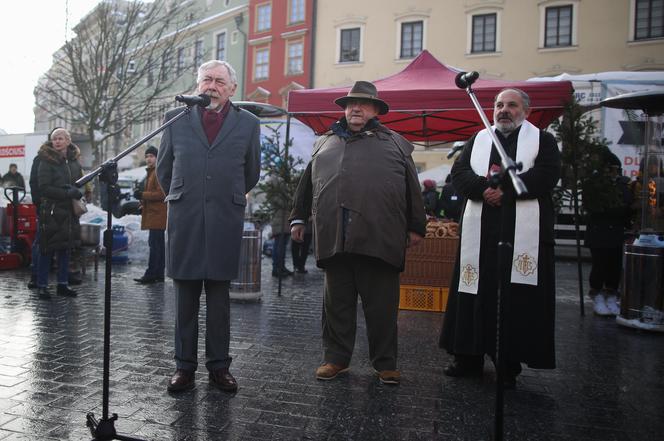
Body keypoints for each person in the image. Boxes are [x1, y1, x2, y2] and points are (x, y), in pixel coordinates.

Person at [290, 80, 426, 385]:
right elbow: (306, 185)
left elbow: (412, 189)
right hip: (334, 235)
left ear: (375, 110)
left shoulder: (395, 143)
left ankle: (385, 363)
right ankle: (336, 359)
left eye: (363, 104)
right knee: (336, 305)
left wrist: (416, 226)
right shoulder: (324, 142)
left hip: (380, 236)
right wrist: (297, 218)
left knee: (382, 307)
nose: (355, 108)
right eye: (351, 103)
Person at [439, 88, 561, 389]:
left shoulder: (543, 140)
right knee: (473, 292)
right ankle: (467, 357)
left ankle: (508, 362)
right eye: (499, 105)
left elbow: (547, 175)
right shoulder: (478, 140)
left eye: (511, 105)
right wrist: (483, 190)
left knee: (515, 296)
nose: (503, 110)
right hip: (480, 232)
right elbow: (460, 172)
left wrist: (506, 192)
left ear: (526, 111)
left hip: (522, 233)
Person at [157, 60, 261, 393]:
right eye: (205, 80)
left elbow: (252, 172)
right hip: (185, 219)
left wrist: (222, 195)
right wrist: (185, 196)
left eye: (218, 81)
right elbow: (164, 170)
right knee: (184, 299)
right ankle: (183, 367)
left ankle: (219, 367)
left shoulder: (248, 124)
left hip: (224, 221)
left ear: (232, 88)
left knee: (219, 301)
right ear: (196, 85)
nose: (211, 86)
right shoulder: (176, 119)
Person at [583, 148, 633, 316]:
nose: (614, 173)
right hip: (599, 231)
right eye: (611, 169)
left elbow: (627, 204)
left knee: (615, 266)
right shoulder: (594, 183)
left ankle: (612, 295)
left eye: (616, 170)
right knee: (600, 264)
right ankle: (597, 294)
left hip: (616, 231)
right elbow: (592, 206)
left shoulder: (622, 184)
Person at [35, 128, 83, 299]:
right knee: (47, 249)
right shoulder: (46, 161)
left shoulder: (74, 162)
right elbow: (44, 188)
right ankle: (42, 285)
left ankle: (63, 284)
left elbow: (80, 183)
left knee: (66, 248)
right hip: (52, 211)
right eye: (54, 139)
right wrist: (66, 194)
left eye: (60, 138)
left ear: (68, 140)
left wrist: (79, 192)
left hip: (69, 212)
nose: (57, 141)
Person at [133, 146, 167, 284]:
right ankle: (158, 274)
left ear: (157, 157)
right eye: (147, 156)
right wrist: (143, 201)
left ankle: (151, 274)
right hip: (155, 214)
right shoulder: (152, 172)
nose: (148, 159)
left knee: (155, 245)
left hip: (158, 216)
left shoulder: (158, 172)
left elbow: (161, 193)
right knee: (158, 245)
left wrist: (142, 195)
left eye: (152, 156)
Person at [270, 207, 294, 277]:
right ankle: (276, 269)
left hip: (285, 221)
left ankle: (281, 267)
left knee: (282, 247)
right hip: (280, 222)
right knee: (279, 247)